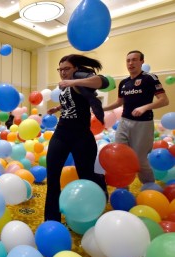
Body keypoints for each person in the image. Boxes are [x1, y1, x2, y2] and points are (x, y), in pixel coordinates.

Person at [44, 54, 109, 222]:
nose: (63, 73)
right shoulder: (66, 86)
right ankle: (52, 220)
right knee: (52, 177)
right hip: (62, 133)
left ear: (76, 69)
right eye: (60, 69)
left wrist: (73, 81)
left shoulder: (80, 79)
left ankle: (93, 200)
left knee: (86, 176)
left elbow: (103, 81)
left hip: (81, 136)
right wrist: (58, 108)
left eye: (67, 69)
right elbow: (73, 102)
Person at [103, 50, 169, 185]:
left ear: (141, 61)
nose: (131, 63)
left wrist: (144, 107)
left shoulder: (150, 78)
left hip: (143, 124)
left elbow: (164, 100)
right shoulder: (124, 83)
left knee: (139, 159)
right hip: (124, 122)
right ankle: (122, 186)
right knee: (119, 154)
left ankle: (149, 186)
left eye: (134, 60)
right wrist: (101, 109)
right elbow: (119, 102)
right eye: (128, 60)